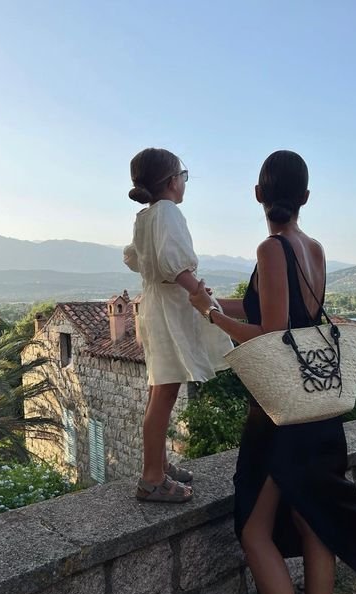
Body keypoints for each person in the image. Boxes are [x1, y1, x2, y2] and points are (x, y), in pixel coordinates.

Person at [189, 150, 356, 594]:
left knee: (254, 531)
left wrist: (213, 319)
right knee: (314, 526)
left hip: (280, 418)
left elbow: (272, 331)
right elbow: (282, 311)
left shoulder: (269, 247)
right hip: (319, 411)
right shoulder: (314, 249)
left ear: (258, 195)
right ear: (304, 198)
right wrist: (213, 302)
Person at [124, 147, 232, 503]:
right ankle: (152, 478)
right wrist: (199, 293)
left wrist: (187, 284)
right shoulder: (168, 212)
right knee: (166, 391)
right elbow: (174, 263)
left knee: (160, 390)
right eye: (184, 177)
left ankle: (159, 463)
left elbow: (136, 258)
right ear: (173, 181)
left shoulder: (146, 215)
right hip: (169, 309)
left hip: (156, 304)